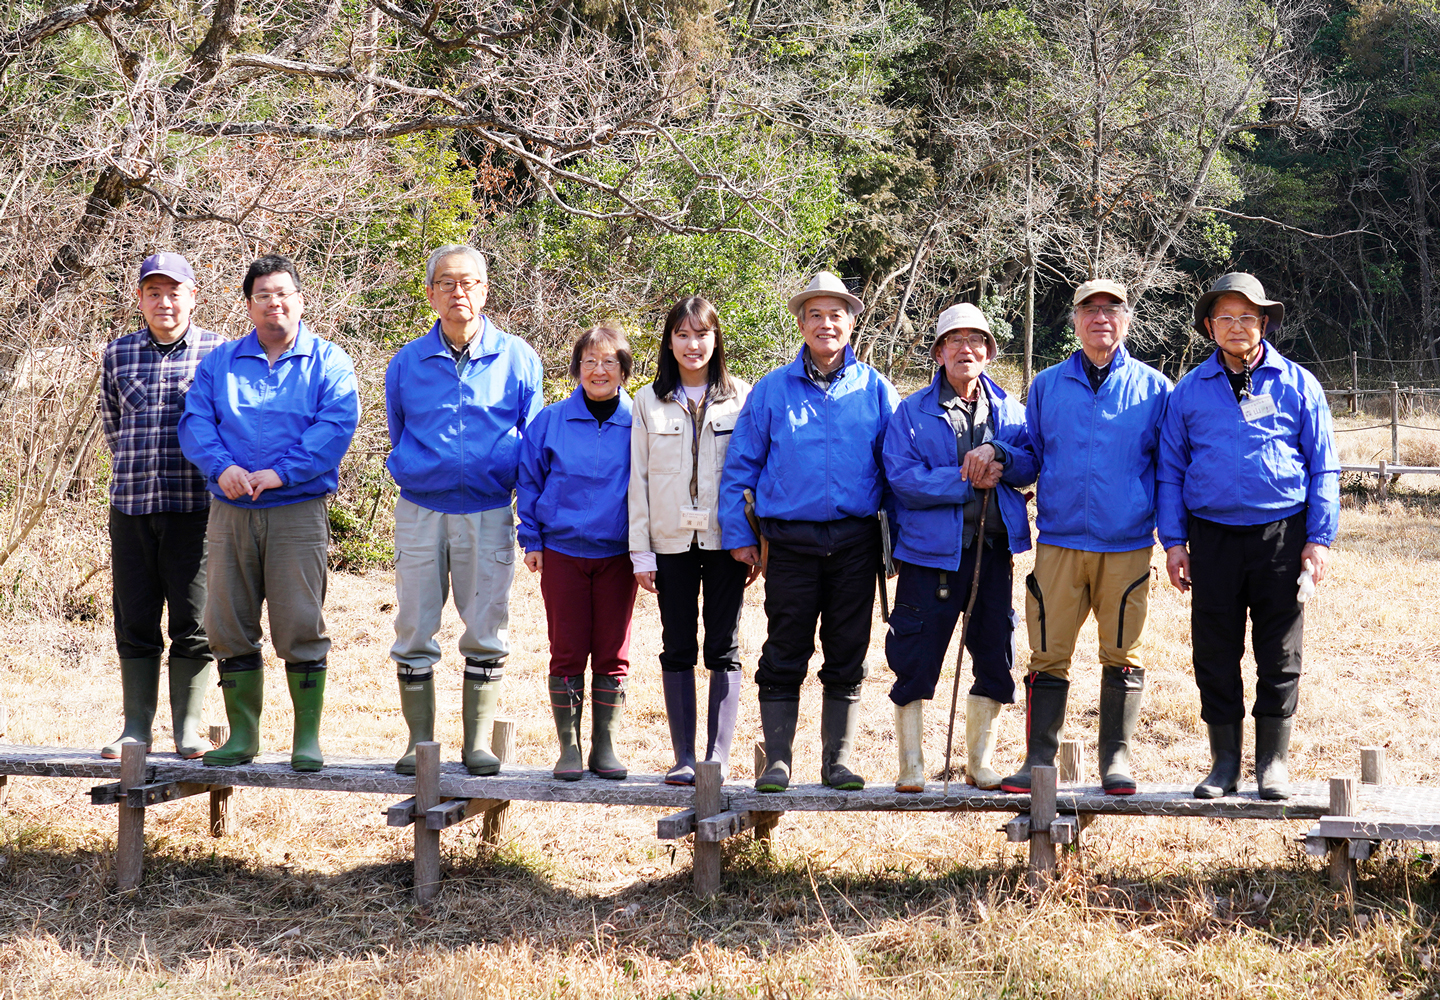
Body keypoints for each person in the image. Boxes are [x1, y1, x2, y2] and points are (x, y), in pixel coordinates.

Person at [1158, 272, 1339, 801]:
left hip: (1283, 535)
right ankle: (1224, 764)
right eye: (1225, 318)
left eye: (1247, 317)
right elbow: (1170, 470)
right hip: (1211, 539)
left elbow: (1324, 467)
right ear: (1210, 327)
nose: (1236, 327)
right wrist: (1174, 543)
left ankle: (1273, 765)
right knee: (1214, 653)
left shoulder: (1300, 384)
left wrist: (1319, 537)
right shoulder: (1188, 391)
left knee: (1280, 654)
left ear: (1264, 323)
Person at [719, 272, 899, 793]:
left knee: (847, 648)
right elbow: (741, 468)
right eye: (815, 314)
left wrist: (896, 544)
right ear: (800, 322)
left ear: (852, 321)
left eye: (836, 314)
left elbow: (894, 473)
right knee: (785, 645)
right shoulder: (772, 390)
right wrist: (739, 534)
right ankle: (778, 760)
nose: (826, 324)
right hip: (789, 543)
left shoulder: (876, 391)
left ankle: (836, 762)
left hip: (855, 542)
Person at [179, 255, 360, 772]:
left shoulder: (329, 361)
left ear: (300, 300)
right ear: (249, 304)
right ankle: (243, 736)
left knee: (301, 622)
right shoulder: (221, 362)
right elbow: (196, 421)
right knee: (227, 621)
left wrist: (284, 472)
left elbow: (335, 424)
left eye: (283, 293)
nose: (273, 303)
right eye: (262, 295)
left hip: (297, 510)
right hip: (230, 509)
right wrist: (222, 467)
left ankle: (307, 739)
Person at [1000, 279, 1172, 796]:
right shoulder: (1048, 385)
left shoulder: (1155, 389)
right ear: (1074, 321)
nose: (1101, 317)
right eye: (1089, 310)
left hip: (1127, 545)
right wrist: (1001, 457)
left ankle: (1115, 760)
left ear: (1127, 319)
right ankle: (1038, 759)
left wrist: (1177, 537)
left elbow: (1169, 469)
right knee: (1047, 651)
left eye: (1112, 309)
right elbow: (1032, 453)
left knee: (1123, 652)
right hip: (1059, 542)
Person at [383, 245, 543, 776]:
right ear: (430, 294)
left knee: (486, 627)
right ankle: (420, 743)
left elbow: (533, 438)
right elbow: (398, 431)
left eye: (470, 283)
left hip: (490, 510)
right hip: (421, 510)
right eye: (447, 283)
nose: (459, 293)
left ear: (485, 290)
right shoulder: (407, 362)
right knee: (413, 626)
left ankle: (477, 744)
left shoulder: (517, 358)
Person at [882, 304, 1036, 792]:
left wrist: (1003, 458)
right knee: (915, 652)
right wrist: (966, 481)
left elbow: (1031, 461)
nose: (966, 349)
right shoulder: (912, 410)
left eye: (976, 340)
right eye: (955, 340)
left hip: (992, 550)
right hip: (930, 556)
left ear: (989, 352)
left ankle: (979, 763)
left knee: (995, 651)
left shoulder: (1012, 409)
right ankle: (911, 764)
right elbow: (902, 477)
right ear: (939, 352)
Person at [99, 252, 225, 759]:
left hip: (195, 507)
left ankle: (188, 729)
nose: (164, 302)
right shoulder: (118, 354)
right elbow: (114, 427)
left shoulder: (220, 354)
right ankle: (136, 727)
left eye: (174, 292)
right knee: (135, 618)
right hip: (130, 505)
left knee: (194, 622)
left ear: (194, 297)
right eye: (154, 292)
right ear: (140, 299)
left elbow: (226, 427)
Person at [630, 297, 752, 785]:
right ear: (669, 341)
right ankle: (683, 758)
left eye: (701, 334)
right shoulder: (647, 400)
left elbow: (752, 476)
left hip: (727, 541)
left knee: (723, 645)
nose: (692, 344)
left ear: (716, 339)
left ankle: (716, 757)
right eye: (682, 334)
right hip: (669, 542)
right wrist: (641, 548)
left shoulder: (743, 397)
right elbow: (636, 480)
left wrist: (753, 540)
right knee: (677, 644)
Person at [518, 326, 637, 781]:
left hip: (619, 553)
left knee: (612, 651)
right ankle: (568, 748)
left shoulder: (640, 421)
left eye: (609, 362)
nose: (599, 370)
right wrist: (531, 538)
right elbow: (528, 479)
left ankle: (604, 747)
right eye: (590, 361)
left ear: (624, 370)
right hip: (562, 550)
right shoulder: (551, 421)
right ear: (577, 368)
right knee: (566, 650)